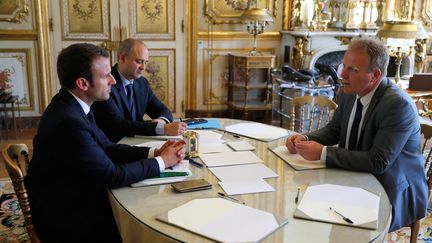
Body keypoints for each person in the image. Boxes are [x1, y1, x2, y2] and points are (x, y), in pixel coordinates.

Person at [25, 43, 185, 243]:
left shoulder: (73, 104)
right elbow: (113, 176)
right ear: (83, 83)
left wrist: (154, 153)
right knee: (148, 217)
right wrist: (162, 162)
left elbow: (108, 147)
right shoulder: (70, 123)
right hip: (67, 217)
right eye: (105, 76)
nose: (112, 80)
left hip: (72, 194)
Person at [286, 37, 428, 232]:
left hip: (391, 189)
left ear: (375, 76)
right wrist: (306, 139)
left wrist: (323, 153)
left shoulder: (397, 105)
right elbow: (334, 130)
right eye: (344, 66)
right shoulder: (349, 91)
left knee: (330, 219)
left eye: (353, 70)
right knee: (303, 209)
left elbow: (378, 161)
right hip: (355, 176)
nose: (343, 74)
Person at [92, 38, 187, 143]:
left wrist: (162, 121)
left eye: (145, 62)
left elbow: (163, 110)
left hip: (138, 141)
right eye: (139, 61)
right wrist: (162, 128)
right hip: (114, 145)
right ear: (122, 58)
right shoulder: (106, 83)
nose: (143, 67)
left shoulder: (142, 83)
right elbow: (118, 125)